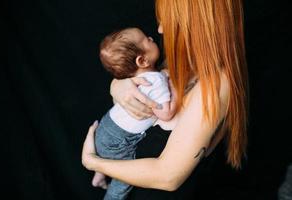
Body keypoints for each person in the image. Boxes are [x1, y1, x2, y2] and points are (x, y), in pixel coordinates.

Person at [82, 0, 248, 199]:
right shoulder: (175, 61)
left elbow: (168, 177)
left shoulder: (216, 84)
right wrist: (118, 86)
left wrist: (93, 162)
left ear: (196, 25)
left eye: (167, 21)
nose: (160, 29)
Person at [92, 27, 177, 200]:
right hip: (119, 141)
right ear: (142, 60)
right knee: (126, 176)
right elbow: (166, 114)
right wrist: (174, 88)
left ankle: (99, 173)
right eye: (147, 39)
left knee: (108, 158)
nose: (152, 37)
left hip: (104, 127)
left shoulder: (128, 79)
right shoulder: (158, 81)